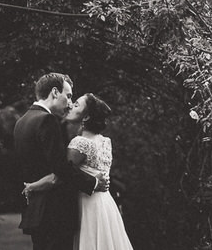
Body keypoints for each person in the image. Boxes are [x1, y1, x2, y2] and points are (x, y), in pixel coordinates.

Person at [24, 93, 134, 250]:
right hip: (105, 205)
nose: (70, 106)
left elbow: (59, 176)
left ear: (86, 117)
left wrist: (32, 186)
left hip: (87, 205)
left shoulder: (80, 143)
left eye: (76, 105)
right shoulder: (105, 141)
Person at [14, 73, 110, 250]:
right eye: (68, 95)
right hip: (55, 213)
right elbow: (60, 168)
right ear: (55, 92)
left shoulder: (22, 121)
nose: (69, 102)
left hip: (35, 210)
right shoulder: (47, 120)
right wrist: (94, 182)